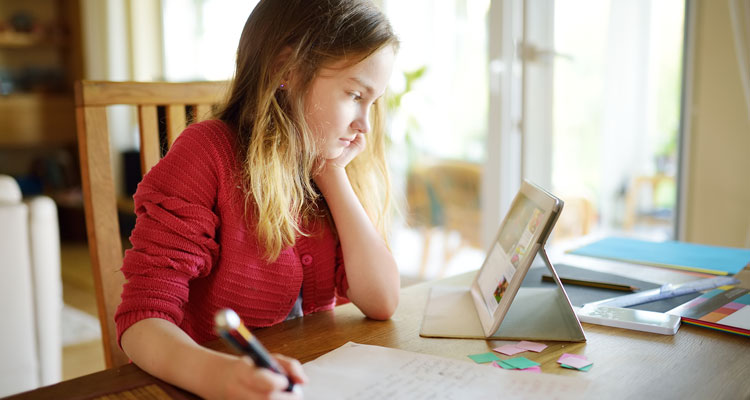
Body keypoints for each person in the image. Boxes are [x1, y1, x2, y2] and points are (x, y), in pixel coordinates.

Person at [115, 1, 400, 398]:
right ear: (287, 70)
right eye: (354, 94)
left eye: (374, 102)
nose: (365, 125)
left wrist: (331, 174)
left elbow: (381, 300)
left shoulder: (327, 163)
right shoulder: (206, 154)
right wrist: (218, 376)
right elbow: (141, 320)